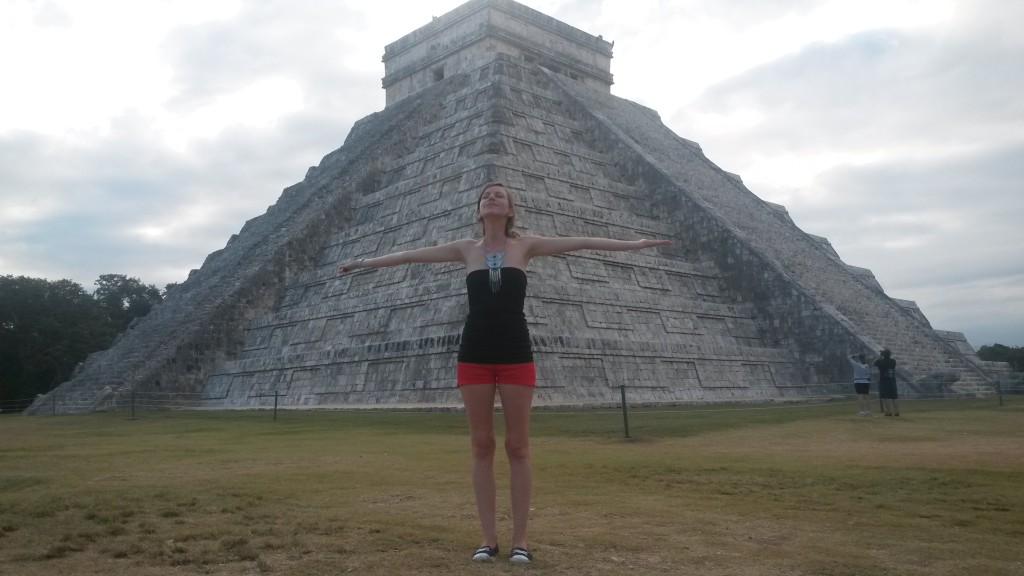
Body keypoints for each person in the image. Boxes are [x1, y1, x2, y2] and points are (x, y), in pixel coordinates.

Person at [338, 181, 670, 564]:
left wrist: (634, 245)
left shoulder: (525, 246)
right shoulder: (465, 250)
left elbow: (582, 241)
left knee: (518, 446)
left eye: (500, 195)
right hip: (474, 353)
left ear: (511, 210)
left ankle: (521, 541)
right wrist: (363, 264)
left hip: (515, 352)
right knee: (481, 446)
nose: (492, 198)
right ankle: (487, 538)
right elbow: (411, 256)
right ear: (479, 211)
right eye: (485, 196)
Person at [874, 348, 900, 416]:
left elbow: (875, 363)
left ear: (883, 355)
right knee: (894, 397)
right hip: (892, 381)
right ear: (890, 354)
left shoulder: (881, 362)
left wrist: (880, 355)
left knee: (886, 397)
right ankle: (897, 411)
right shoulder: (893, 361)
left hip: (884, 381)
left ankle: (889, 412)